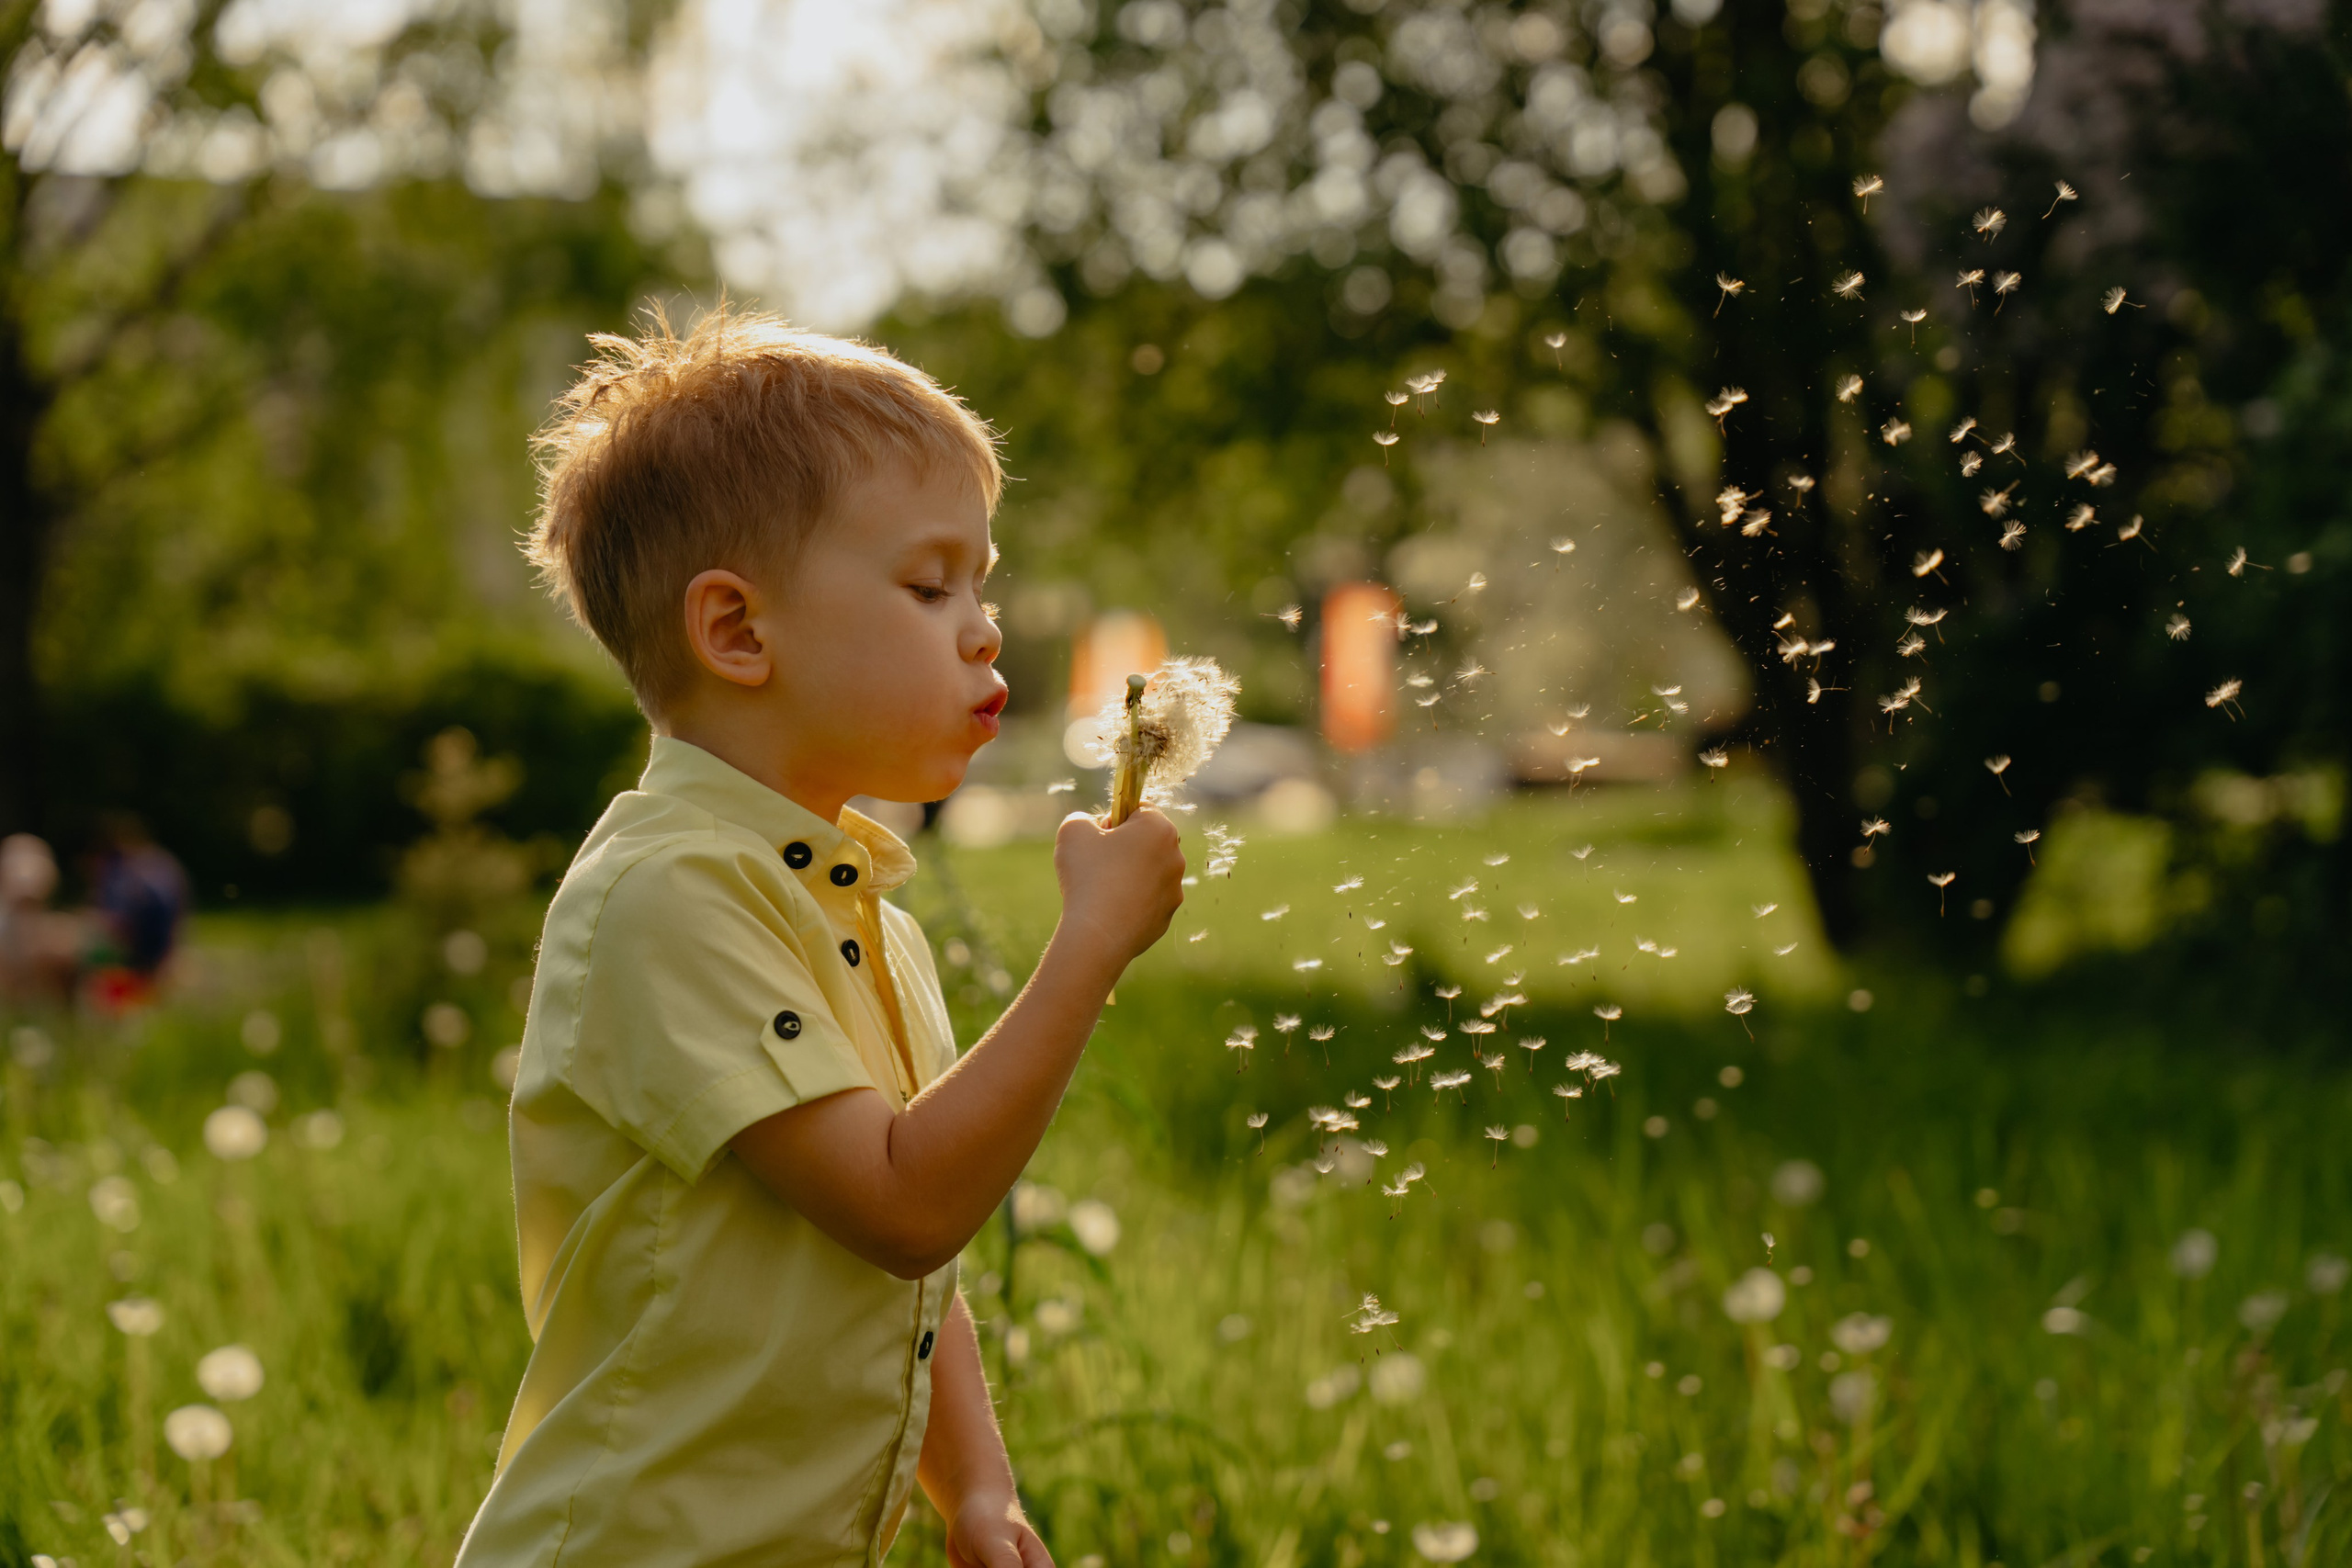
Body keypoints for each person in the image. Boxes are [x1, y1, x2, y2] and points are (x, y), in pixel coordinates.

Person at [456, 309, 1185, 1568]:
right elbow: (905, 1204)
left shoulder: (864, 922)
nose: (984, 627)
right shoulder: (669, 895)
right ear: (739, 632)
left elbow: (909, 1271)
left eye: (981, 583)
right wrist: (1091, 950)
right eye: (929, 586)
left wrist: (977, 1486)